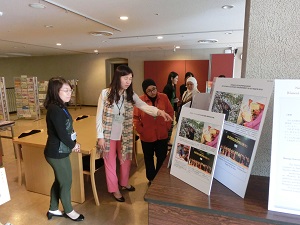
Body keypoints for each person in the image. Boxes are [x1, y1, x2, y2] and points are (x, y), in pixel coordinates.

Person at [96, 65, 172, 202]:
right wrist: (100, 136)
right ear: (117, 77)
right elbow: (98, 117)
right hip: (108, 135)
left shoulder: (130, 95)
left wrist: (159, 112)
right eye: (125, 78)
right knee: (110, 162)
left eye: (130, 79)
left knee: (125, 160)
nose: (128, 81)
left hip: (124, 134)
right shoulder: (105, 94)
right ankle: (115, 189)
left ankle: (124, 183)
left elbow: (144, 106)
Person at [44, 77, 84, 222]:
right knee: (66, 181)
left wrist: (73, 141)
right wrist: (74, 145)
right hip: (56, 153)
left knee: (60, 180)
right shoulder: (55, 109)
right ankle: (69, 211)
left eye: (70, 90)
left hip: (61, 150)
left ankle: (53, 208)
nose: (69, 94)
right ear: (56, 91)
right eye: (66, 90)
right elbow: (61, 133)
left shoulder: (60, 106)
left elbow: (66, 131)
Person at [133, 79, 174, 184]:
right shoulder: (140, 100)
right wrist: (141, 130)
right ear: (145, 92)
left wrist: (167, 126)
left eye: (154, 89)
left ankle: (159, 179)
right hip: (147, 135)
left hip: (162, 134)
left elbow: (170, 111)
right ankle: (151, 178)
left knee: (161, 157)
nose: (152, 92)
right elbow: (135, 118)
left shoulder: (163, 97)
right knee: (148, 158)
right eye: (149, 90)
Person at [163, 71, 179, 145]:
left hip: (172, 108)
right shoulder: (167, 87)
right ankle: (166, 140)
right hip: (168, 109)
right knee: (169, 125)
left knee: (171, 125)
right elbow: (165, 99)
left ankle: (168, 140)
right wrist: (174, 100)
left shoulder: (173, 86)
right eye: (176, 78)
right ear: (172, 78)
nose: (177, 80)